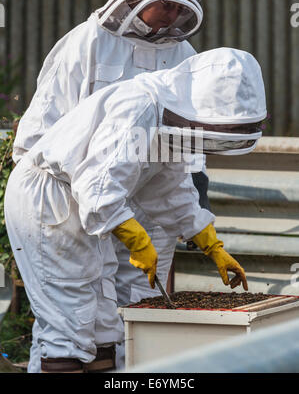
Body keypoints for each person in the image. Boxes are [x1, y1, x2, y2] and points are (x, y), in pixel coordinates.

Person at [4, 47, 267, 373]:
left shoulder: (167, 119)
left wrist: (212, 246)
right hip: (51, 200)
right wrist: (138, 241)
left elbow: (171, 188)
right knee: (70, 324)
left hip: (80, 203)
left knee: (104, 323)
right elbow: (97, 188)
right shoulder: (139, 106)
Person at [11, 0, 208, 370]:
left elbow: (173, 161)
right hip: (64, 193)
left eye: (179, 7)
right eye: (164, 4)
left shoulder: (185, 59)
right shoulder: (88, 41)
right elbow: (51, 132)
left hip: (135, 194)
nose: (171, 15)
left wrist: (201, 228)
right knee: (70, 326)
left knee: (120, 325)